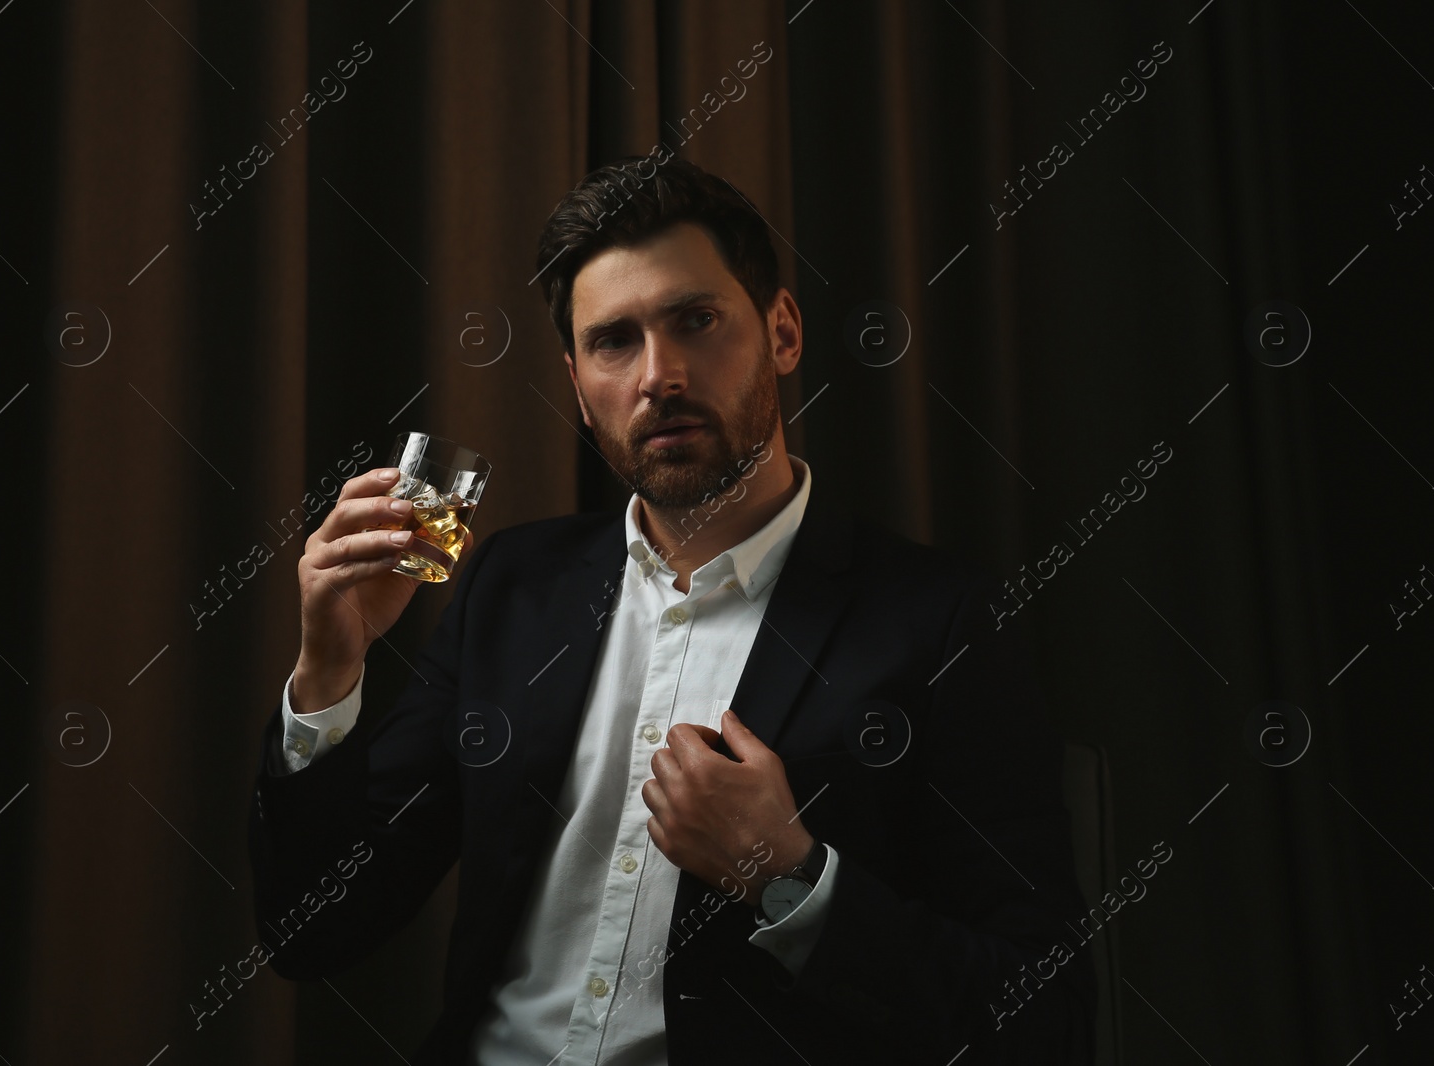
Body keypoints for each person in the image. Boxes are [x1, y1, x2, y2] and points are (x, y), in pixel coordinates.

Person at [248, 156, 1096, 1064]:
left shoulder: (938, 623)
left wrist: (789, 879)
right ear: (576, 384)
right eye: (614, 341)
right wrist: (328, 670)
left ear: (782, 331)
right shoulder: (510, 587)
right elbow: (315, 933)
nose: (660, 375)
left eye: (696, 320)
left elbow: (1040, 1016)